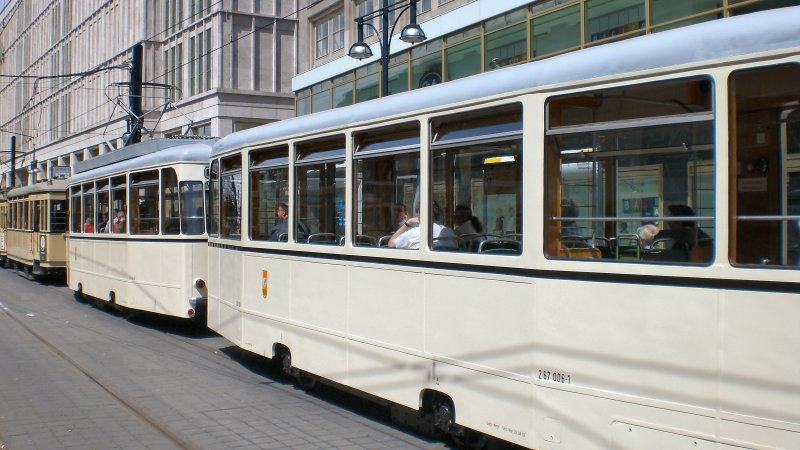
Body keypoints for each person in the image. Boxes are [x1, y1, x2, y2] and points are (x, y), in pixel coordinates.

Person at [389, 201, 457, 249]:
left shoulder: (415, 233)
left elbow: (391, 243)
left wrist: (408, 223)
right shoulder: (449, 231)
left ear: (420, 214)